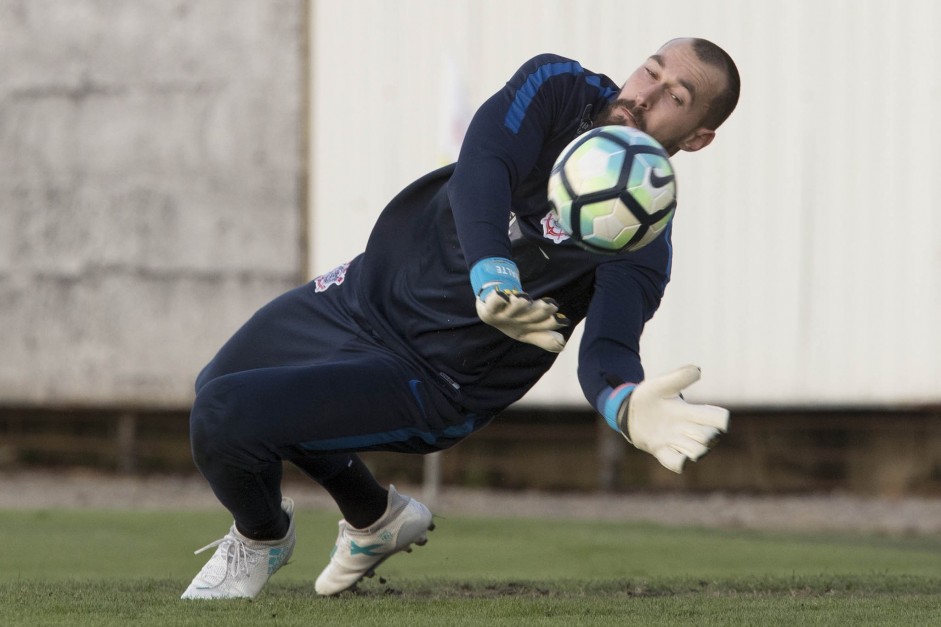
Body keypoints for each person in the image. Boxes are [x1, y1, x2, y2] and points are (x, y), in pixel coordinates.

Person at [181, 37, 741, 600]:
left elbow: (608, 351)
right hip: (360, 296)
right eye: (650, 72)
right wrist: (492, 272)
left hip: (432, 378)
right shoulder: (558, 87)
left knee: (226, 416)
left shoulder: (642, 239)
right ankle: (375, 516)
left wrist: (625, 402)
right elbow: (485, 162)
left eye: (676, 96)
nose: (646, 95)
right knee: (217, 385)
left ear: (697, 138)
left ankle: (261, 538)